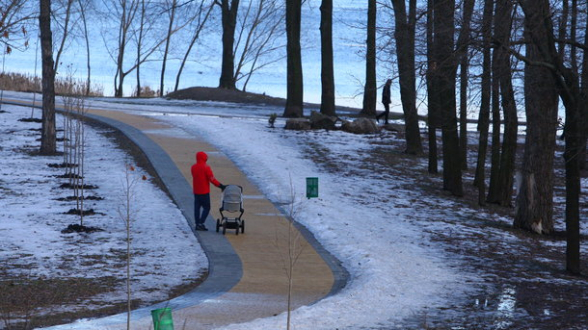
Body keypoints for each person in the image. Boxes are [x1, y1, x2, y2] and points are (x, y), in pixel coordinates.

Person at [191, 151, 225, 231]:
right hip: (204, 191)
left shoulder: (193, 167)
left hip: (196, 191)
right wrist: (220, 186)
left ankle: (197, 223)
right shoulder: (206, 168)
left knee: (197, 208)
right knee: (207, 207)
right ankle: (201, 222)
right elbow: (211, 179)